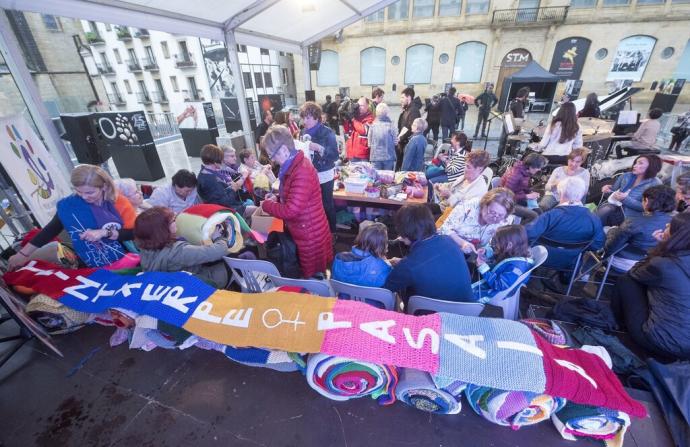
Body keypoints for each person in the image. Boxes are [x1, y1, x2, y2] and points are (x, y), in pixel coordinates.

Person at [8, 165, 136, 270]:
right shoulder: (70, 206)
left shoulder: (119, 203)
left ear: (104, 186)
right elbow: (51, 230)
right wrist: (22, 254)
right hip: (90, 261)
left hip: (125, 259)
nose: (84, 197)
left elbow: (134, 233)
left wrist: (104, 233)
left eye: (90, 192)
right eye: (79, 192)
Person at [611, 212, 690, 360]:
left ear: (677, 236)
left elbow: (634, 272)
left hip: (660, 342)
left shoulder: (664, 265)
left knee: (625, 280)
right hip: (687, 350)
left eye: (670, 226)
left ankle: (617, 324)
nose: (666, 225)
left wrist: (660, 246)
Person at [260, 126, 333, 279]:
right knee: (311, 273)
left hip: (310, 232)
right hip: (306, 228)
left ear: (284, 150)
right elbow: (293, 196)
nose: (272, 160)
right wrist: (278, 199)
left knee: (313, 277)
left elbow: (291, 210)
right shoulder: (293, 165)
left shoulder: (301, 170)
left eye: (272, 155)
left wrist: (267, 206)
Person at [384, 204, 473, 304]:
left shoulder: (408, 266)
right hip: (468, 313)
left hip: (432, 317)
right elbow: (433, 264)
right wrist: (402, 263)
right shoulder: (449, 240)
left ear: (404, 232)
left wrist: (396, 266)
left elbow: (386, 289)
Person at [135, 206, 231, 288]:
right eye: (172, 221)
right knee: (236, 255)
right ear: (162, 230)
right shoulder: (178, 251)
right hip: (202, 283)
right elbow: (218, 251)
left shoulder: (145, 248)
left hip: (173, 286)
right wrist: (219, 238)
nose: (175, 221)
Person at [526, 176, 605, 270]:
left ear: (560, 192)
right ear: (583, 194)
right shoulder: (594, 219)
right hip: (570, 262)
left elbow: (528, 234)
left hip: (540, 258)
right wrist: (577, 248)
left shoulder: (550, 216)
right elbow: (598, 244)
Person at [604, 185, 675, 272]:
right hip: (648, 266)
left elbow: (610, 248)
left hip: (621, 263)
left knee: (604, 231)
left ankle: (585, 273)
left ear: (647, 201)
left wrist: (612, 231)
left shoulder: (633, 222)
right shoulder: (676, 223)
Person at [299, 101, 339, 232]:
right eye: (303, 117)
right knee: (312, 206)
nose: (305, 121)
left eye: (308, 117)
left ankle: (332, 232)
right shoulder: (302, 132)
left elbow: (334, 156)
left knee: (327, 205)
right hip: (308, 175)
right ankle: (319, 231)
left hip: (325, 174)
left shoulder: (327, 132)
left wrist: (319, 148)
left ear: (317, 117)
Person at [438, 188, 515, 255]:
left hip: (469, 256)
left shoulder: (504, 221)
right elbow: (444, 229)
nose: (495, 218)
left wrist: (486, 251)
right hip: (446, 244)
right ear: (484, 204)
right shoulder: (470, 206)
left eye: (500, 215)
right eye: (492, 212)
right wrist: (462, 243)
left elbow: (494, 246)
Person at [472, 225, 534, 303]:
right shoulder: (516, 250)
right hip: (489, 278)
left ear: (509, 245)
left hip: (488, 292)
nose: (494, 244)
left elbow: (499, 285)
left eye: (496, 242)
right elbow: (498, 250)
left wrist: (483, 268)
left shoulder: (516, 267)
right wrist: (486, 251)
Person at [597, 154, 662, 226]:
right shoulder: (626, 176)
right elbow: (612, 193)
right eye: (635, 163)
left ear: (651, 166)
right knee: (604, 211)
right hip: (614, 208)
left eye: (640, 163)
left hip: (633, 217)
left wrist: (625, 199)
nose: (634, 165)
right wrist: (606, 189)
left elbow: (648, 208)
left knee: (605, 212)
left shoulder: (655, 184)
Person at [197, 144, 253, 217]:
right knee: (256, 209)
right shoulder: (211, 180)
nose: (221, 161)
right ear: (215, 160)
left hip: (226, 207)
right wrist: (233, 189)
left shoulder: (204, 174)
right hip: (226, 211)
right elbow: (226, 202)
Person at [331, 222, 392, 288]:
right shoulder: (383, 268)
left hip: (344, 296)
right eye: (386, 241)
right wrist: (387, 263)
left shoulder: (339, 258)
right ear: (381, 246)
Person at [500, 152, 547, 224]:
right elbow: (506, 196)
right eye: (538, 167)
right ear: (531, 166)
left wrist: (530, 192)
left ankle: (523, 228)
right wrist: (527, 196)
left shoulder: (525, 171)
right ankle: (517, 230)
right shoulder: (515, 175)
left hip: (517, 198)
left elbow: (523, 187)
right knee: (534, 216)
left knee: (539, 212)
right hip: (506, 203)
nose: (539, 169)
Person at [368, 102, 398, 171]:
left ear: (376, 113)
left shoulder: (372, 126)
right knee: (388, 178)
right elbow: (395, 142)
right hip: (388, 157)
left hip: (375, 157)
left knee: (376, 178)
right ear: (387, 113)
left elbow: (369, 144)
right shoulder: (391, 126)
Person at [397, 87, 421, 171]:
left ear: (409, 97)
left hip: (407, 144)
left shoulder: (413, 110)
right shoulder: (408, 109)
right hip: (403, 143)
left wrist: (400, 138)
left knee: (405, 169)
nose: (401, 100)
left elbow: (412, 129)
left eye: (403, 97)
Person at [346, 97, 374, 162]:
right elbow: (347, 130)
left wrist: (353, 119)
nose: (359, 107)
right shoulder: (355, 116)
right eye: (358, 105)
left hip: (362, 155)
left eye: (362, 105)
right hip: (351, 153)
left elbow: (363, 131)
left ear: (367, 106)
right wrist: (346, 118)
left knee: (364, 172)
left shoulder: (370, 118)